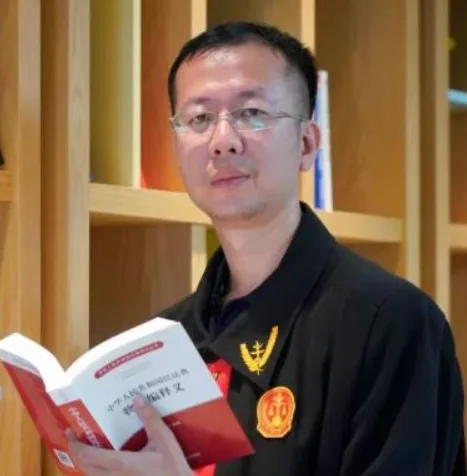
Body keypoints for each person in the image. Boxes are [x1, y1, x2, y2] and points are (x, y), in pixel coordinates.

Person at [67, 21, 466, 475]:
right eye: (199, 119)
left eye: (252, 113)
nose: (223, 141)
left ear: (307, 144)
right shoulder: (166, 341)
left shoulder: (391, 323)